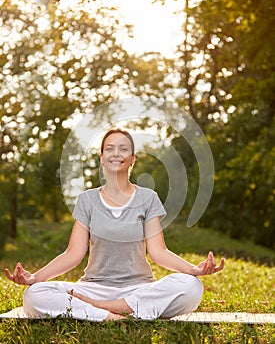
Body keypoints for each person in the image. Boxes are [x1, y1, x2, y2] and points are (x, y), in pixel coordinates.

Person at [5, 128, 224, 321]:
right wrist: (35, 278)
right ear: (102, 157)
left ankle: (109, 309)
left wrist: (193, 270)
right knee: (34, 295)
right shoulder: (87, 200)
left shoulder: (148, 198)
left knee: (192, 287)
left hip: (138, 289)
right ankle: (109, 314)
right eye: (109, 149)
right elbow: (73, 253)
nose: (116, 153)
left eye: (123, 149)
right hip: (93, 288)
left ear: (132, 159)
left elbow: (159, 252)